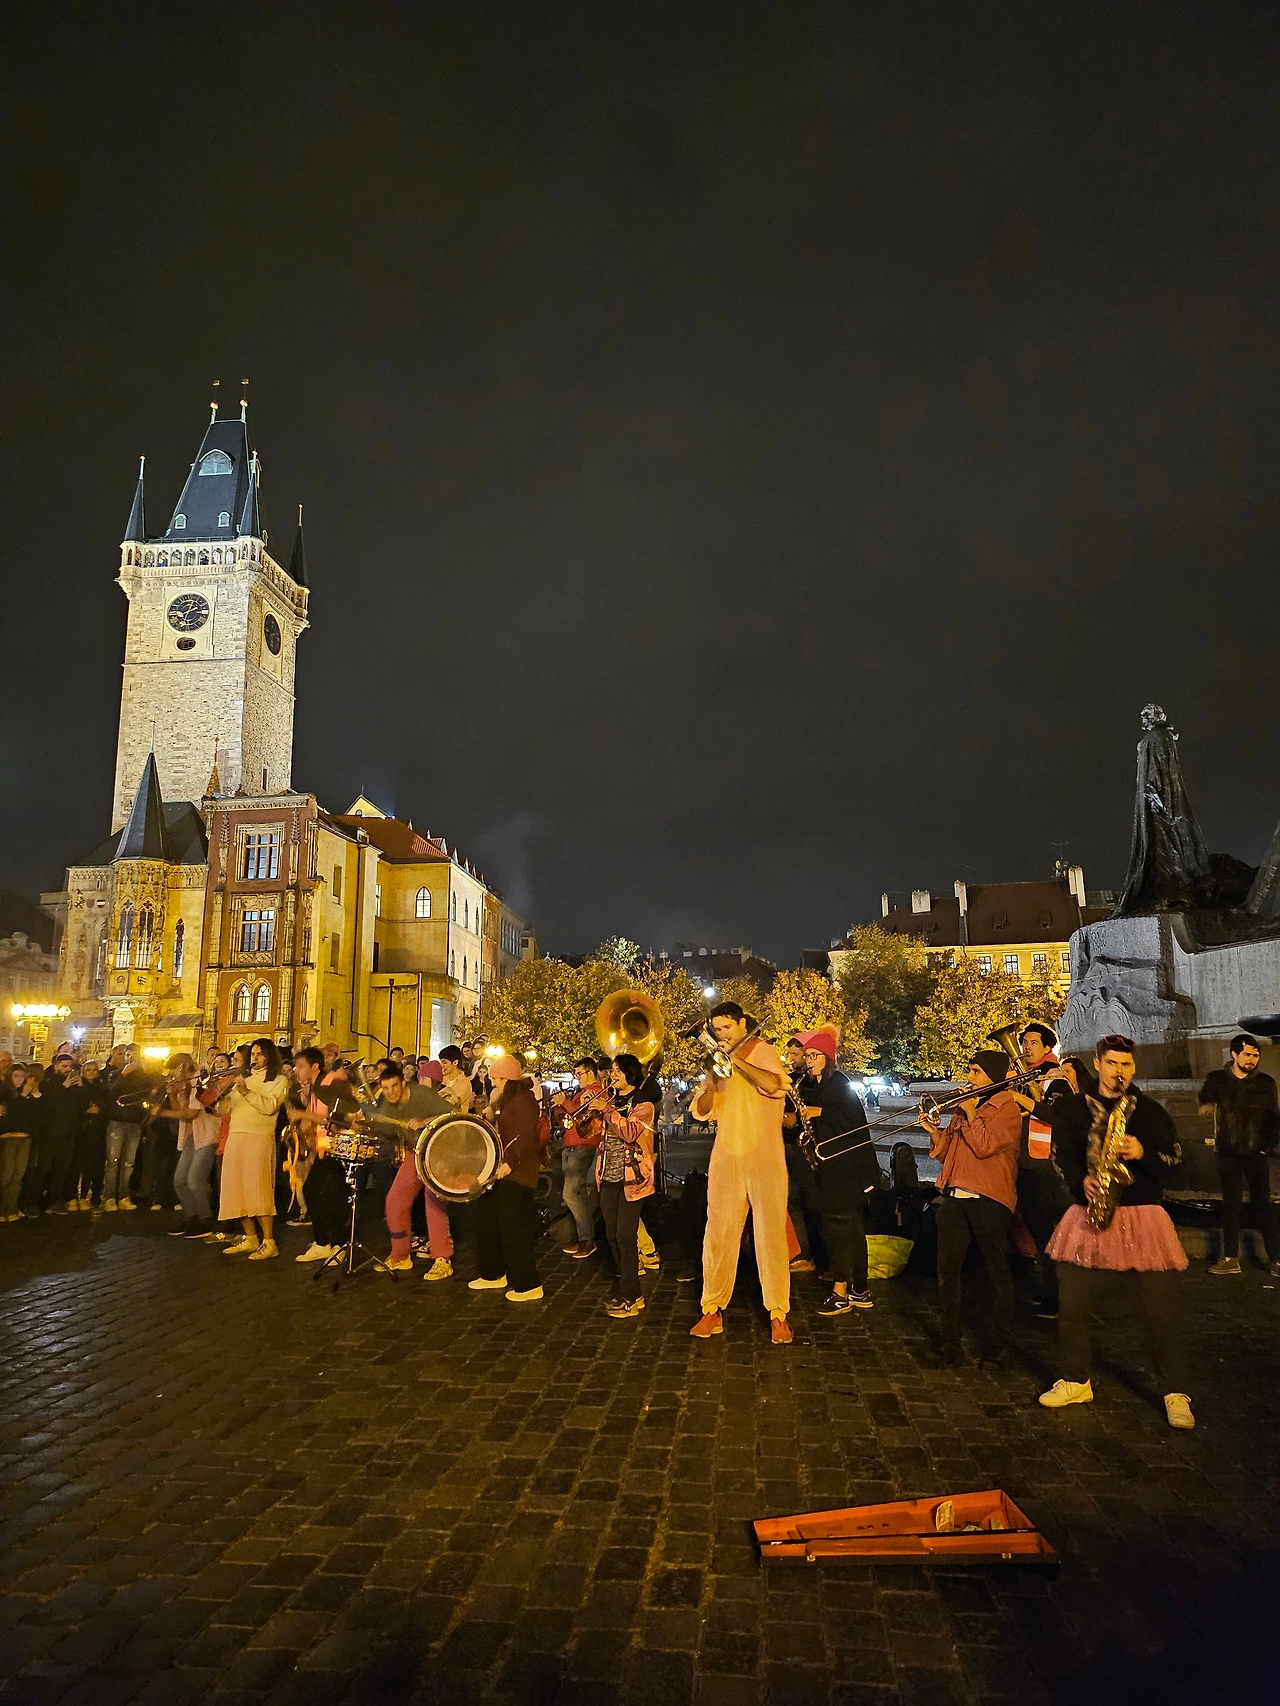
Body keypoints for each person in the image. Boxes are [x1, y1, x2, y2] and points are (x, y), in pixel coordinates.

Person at [1040, 1034, 1194, 1429]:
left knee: (1160, 1312)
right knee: (1071, 1304)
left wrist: (1144, 1153)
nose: (1118, 1071)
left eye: (1125, 1064)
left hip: (1143, 1216)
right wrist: (1081, 1182)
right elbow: (1061, 1158)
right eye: (1111, 1063)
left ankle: (1175, 1391)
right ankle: (1076, 1380)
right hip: (1088, 1213)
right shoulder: (1074, 1109)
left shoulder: (1150, 1112)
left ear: (1133, 1068)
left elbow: (1177, 1163)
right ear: (1097, 1064)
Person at [689, 1002, 793, 1345]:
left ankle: (778, 1312)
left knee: (770, 1235)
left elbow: (775, 1085)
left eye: (727, 1028)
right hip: (727, 1157)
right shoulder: (717, 1062)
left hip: (765, 1157)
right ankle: (712, 1308)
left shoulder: (763, 1052)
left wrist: (736, 1060)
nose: (721, 1034)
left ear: (743, 1024)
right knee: (718, 1233)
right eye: (717, 1030)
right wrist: (710, 1083)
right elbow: (702, 1110)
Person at [920, 1050, 1021, 1367]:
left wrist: (971, 1113)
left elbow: (985, 1146)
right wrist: (934, 1133)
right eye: (970, 1070)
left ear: (992, 1075)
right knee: (947, 1272)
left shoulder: (1007, 1109)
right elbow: (949, 1154)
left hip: (989, 1200)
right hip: (955, 1197)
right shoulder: (966, 1108)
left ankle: (999, 1345)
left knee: (996, 1273)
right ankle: (949, 1343)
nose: (970, 1077)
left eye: (976, 1071)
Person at [795, 1029, 880, 1316]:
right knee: (852, 1230)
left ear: (827, 1057)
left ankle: (841, 1293)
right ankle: (860, 1289)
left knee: (842, 1230)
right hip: (835, 1166)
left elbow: (852, 1121)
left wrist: (818, 1113)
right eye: (807, 1056)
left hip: (848, 1169)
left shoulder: (839, 1084)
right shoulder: (816, 1085)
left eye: (814, 1056)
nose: (809, 1061)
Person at [1198, 1033, 1280, 1276]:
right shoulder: (1218, 1079)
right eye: (1247, 1054)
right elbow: (1205, 1098)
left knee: (1263, 1206)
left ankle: (1276, 1259)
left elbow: (1273, 1117)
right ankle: (1230, 1257)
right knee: (1231, 1206)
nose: (1252, 1059)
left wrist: (1267, 1146)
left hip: (1256, 1152)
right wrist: (1206, 1105)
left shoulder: (1265, 1083)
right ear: (1234, 1054)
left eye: (1255, 1055)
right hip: (1227, 1152)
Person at [1008, 1022, 1074, 1318]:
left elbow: (1060, 1116)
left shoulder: (1055, 1079)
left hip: (1045, 1165)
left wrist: (1022, 1099)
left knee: (1047, 1231)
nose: (1025, 1047)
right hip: (1024, 1161)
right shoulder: (1025, 1076)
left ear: (1048, 1047)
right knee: (1032, 1228)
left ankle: (1056, 1296)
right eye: (1023, 1042)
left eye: (1033, 1042)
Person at [468, 1053, 543, 1303]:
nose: (493, 1084)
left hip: (518, 1174)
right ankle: (493, 1273)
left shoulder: (522, 1101)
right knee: (489, 1221)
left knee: (514, 1229)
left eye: (496, 1080)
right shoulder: (511, 1099)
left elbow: (525, 1136)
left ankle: (528, 1284)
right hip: (507, 1170)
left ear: (506, 1079)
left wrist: (510, 1163)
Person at [376, 1061, 455, 1279]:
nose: (390, 1092)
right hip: (416, 1152)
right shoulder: (387, 1104)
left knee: (434, 1202)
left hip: (439, 1150)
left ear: (403, 1083)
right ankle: (400, 1254)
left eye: (394, 1086)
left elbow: (452, 1114)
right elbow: (385, 1129)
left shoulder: (422, 1094)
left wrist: (424, 1121)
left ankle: (442, 1259)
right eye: (385, 1088)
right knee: (395, 1201)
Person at [595, 1053, 658, 1319]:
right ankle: (627, 1289)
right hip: (608, 1176)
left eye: (618, 1071)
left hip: (633, 1180)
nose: (613, 1075)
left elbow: (630, 1132)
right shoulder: (611, 1101)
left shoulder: (644, 1105)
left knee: (625, 1237)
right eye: (612, 1070)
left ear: (630, 1073)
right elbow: (593, 1131)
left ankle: (632, 1296)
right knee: (611, 1236)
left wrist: (606, 1110)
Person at [217, 1038, 290, 1260]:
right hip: (236, 1136)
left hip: (259, 1137)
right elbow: (224, 1110)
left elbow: (269, 1107)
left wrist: (246, 1091)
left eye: (260, 1054)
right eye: (253, 1054)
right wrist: (218, 1095)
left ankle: (269, 1241)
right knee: (236, 1189)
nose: (255, 1058)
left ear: (269, 1056)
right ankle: (250, 1237)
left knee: (258, 1188)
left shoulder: (279, 1080)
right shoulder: (243, 1079)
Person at [290, 1048, 353, 1264]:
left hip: (339, 1145)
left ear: (314, 1067)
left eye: (301, 1066)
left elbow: (334, 1120)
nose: (296, 1071)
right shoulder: (317, 1086)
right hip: (326, 1146)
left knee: (329, 1193)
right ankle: (324, 1242)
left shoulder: (330, 1083)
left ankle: (336, 1244)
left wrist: (302, 1114)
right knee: (317, 1191)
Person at [783, 1035, 828, 1275]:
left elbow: (821, 1110)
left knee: (810, 1202)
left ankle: (819, 1255)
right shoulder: (793, 1079)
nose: (793, 1059)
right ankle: (803, 1251)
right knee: (794, 1201)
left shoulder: (814, 1081)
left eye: (796, 1054)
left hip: (806, 1147)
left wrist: (796, 1118)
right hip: (791, 1144)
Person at [22, 1052, 85, 1215]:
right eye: (64, 1066)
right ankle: (33, 1203)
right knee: (43, 1169)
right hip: (50, 1134)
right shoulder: (47, 1083)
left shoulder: (75, 1086)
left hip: (68, 1134)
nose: (67, 1069)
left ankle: (54, 1200)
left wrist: (80, 1088)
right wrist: (64, 1086)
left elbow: (82, 1106)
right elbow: (47, 1104)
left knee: (61, 1170)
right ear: (56, 1066)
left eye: (70, 1066)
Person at [555, 1057, 606, 1258]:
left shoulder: (594, 1091)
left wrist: (564, 1102)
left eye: (579, 1073)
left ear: (590, 1073)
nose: (577, 1077)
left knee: (569, 1194)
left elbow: (580, 1113)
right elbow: (569, 1119)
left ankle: (587, 1239)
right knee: (578, 1195)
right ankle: (583, 1236)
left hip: (583, 1146)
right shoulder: (580, 1092)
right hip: (571, 1146)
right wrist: (559, 1107)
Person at [168, 1054, 220, 1237]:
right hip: (191, 1136)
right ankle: (191, 1216)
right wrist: (173, 1094)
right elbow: (179, 1111)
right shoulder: (184, 1084)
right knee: (180, 1180)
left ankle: (206, 1218)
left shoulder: (201, 1080)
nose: (172, 1075)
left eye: (174, 1070)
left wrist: (160, 1112)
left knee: (195, 1179)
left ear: (183, 1066)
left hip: (207, 1134)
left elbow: (191, 1113)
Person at [101, 1044, 154, 1210]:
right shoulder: (115, 1074)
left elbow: (146, 1095)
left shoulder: (144, 1077)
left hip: (134, 1123)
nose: (130, 1058)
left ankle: (124, 1196)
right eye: (127, 1055)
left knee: (128, 1164)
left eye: (134, 1055)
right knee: (113, 1162)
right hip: (117, 1122)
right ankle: (109, 1197)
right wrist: (123, 1075)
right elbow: (111, 1093)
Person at [69, 1060, 109, 1212]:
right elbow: (75, 1105)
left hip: (97, 1130)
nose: (91, 1073)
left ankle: (86, 1196)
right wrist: (86, 1110)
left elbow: (106, 1105)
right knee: (76, 1164)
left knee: (92, 1165)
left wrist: (99, 1109)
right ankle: (72, 1196)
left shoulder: (102, 1086)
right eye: (88, 1070)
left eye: (94, 1070)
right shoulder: (78, 1086)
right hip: (81, 1130)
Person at [0, 1064, 38, 1221]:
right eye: (16, 1076)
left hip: (24, 1137)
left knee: (18, 1175)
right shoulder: (4, 1093)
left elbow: (32, 1114)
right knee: (6, 1175)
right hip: (8, 1137)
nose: (19, 1079)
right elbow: (11, 1114)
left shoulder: (27, 1093)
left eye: (22, 1076)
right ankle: (2, 1209)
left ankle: (12, 1208)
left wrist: (32, 1095)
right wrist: (23, 1096)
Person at [439, 1046, 474, 1113]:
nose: (441, 1065)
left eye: (445, 1063)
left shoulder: (464, 1083)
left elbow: (452, 1103)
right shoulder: (443, 1078)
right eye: (441, 1062)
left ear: (455, 1062)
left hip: (456, 1118)